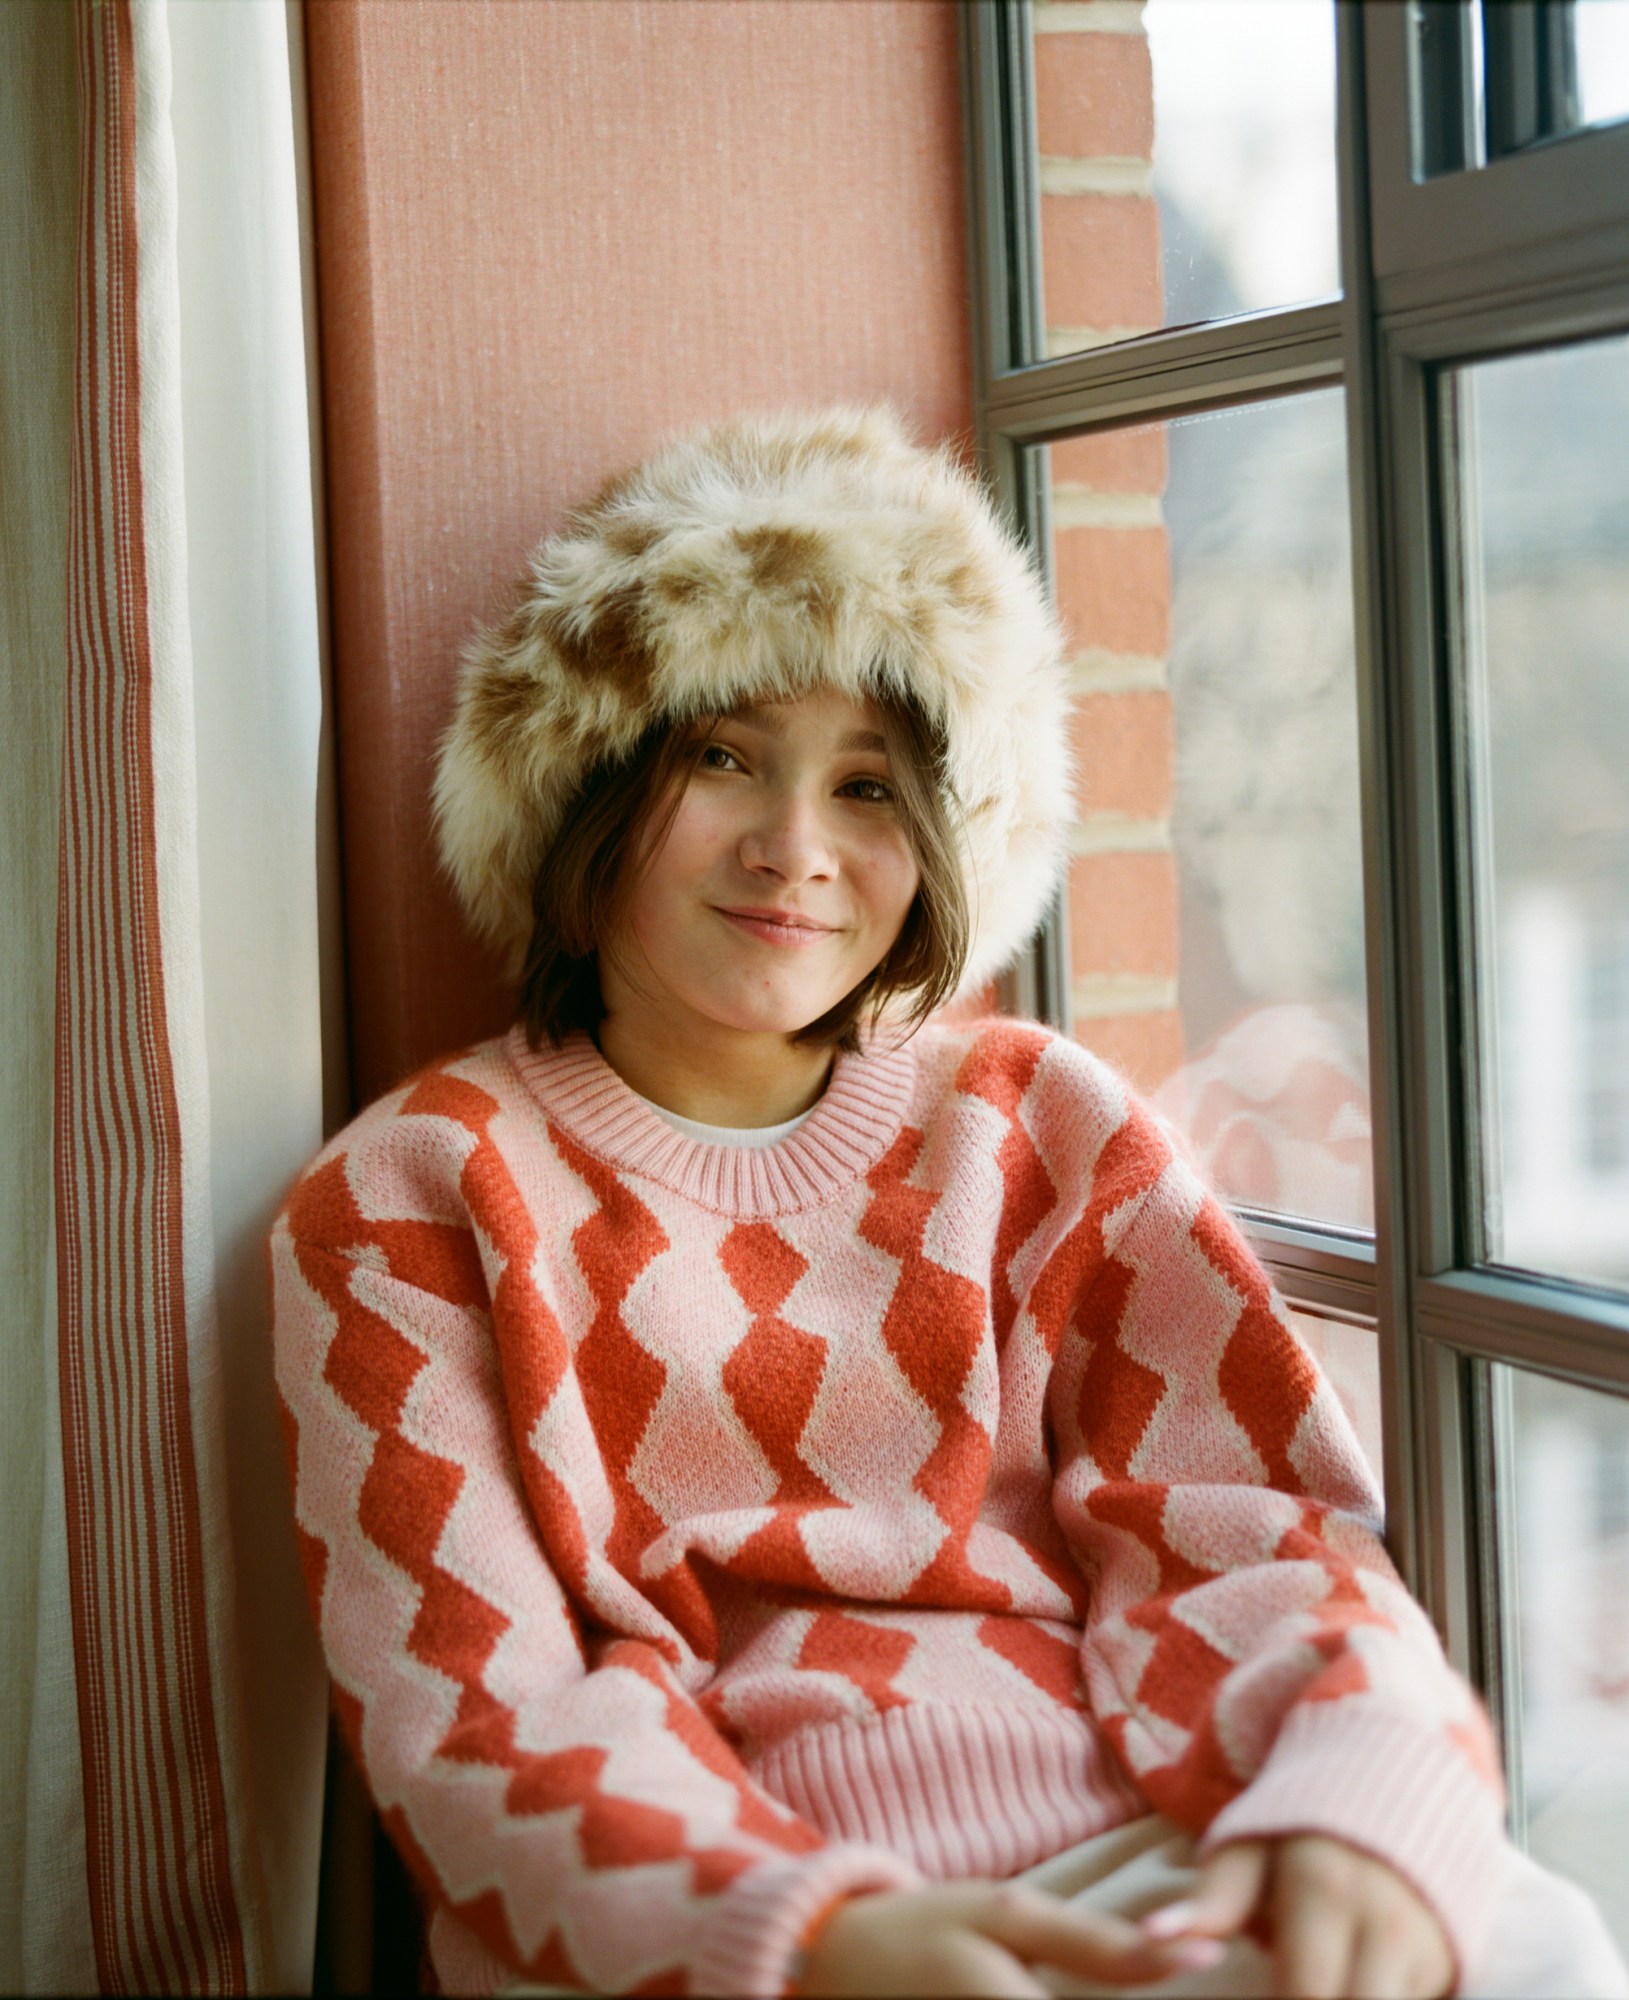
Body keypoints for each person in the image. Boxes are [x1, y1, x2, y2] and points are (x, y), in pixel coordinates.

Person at [270, 407, 1626, 1999]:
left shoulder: (1033, 1122)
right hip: (723, 1919)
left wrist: (1354, 1792)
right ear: (585, 780)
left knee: (1536, 1947)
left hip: (1157, 1828)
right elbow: (474, 1723)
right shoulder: (408, 1199)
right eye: (723, 756)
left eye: (867, 785)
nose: (796, 850)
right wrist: (822, 1937)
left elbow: (1257, 1528)